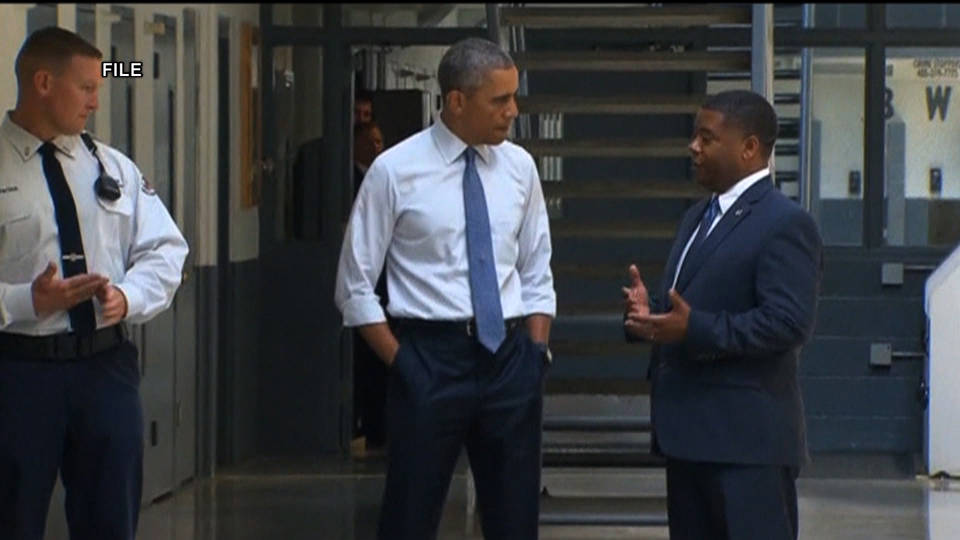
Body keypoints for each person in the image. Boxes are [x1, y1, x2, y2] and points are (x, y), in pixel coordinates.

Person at [334, 37, 555, 539]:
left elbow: (537, 269)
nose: (513, 111)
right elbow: (354, 286)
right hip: (430, 358)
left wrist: (534, 352)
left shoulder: (519, 168)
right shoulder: (394, 171)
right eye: (500, 100)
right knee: (409, 516)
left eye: (514, 97)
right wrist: (404, 364)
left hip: (509, 361)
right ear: (457, 101)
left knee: (515, 520)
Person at [0, 27, 188, 540]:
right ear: (43, 83)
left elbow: (166, 249)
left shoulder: (112, 166)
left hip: (105, 369)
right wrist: (26, 300)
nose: (95, 102)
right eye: (86, 88)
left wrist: (127, 296)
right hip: (19, 371)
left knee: (111, 517)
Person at [622, 90, 823, 540]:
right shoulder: (697, 217)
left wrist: (693, 327)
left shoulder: (785, 223)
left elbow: (788, 322)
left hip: (746, 448)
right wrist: (649, 317)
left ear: (749, 147)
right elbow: (688, 308)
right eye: (695, 136)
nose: (693, 147)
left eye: (707, 138)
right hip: (688, 441)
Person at [351, 119, 388, 451]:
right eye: (371, 141)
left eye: (380, 141)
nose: (377, 147)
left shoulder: (385, 176)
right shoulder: (353, 181)